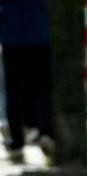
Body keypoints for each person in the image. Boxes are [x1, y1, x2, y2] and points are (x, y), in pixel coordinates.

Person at [0, 0, 56, 164]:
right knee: (43, 89)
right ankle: (45, 132)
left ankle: (16, 142)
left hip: (13, 39)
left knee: (13, 93)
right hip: (40, 37)